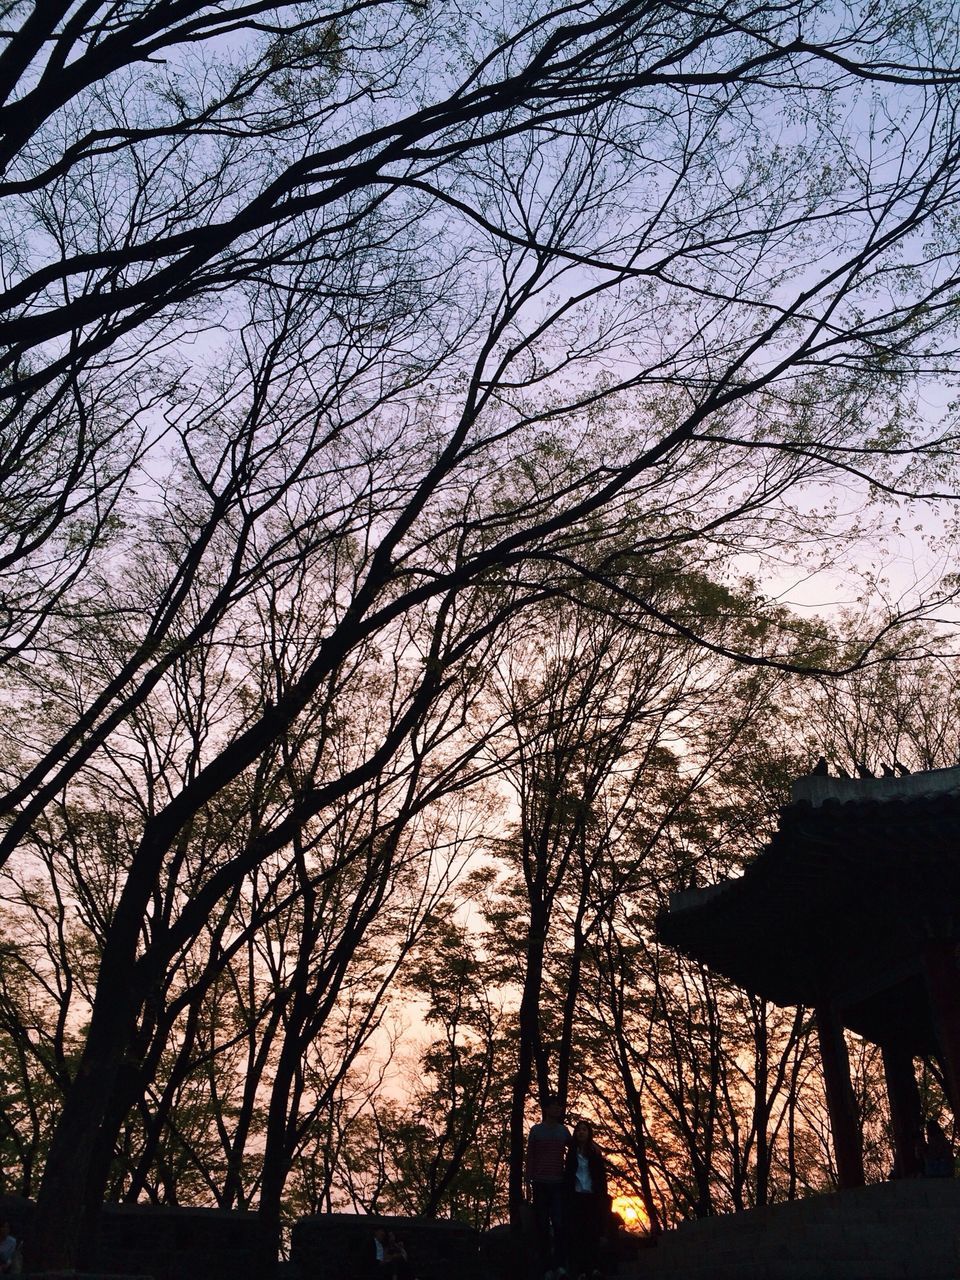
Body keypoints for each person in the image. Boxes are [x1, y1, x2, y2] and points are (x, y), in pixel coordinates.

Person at [526, 1095, 571, 1278]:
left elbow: (575, 1149)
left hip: (558, 1184)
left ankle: (560, 1265)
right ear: (546, 1109)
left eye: (559, 1106)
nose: (557, 1109)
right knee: (543, 1226)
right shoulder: (536, 1131)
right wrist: (528, 1180)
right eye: (554, 1106)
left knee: (559, 1224)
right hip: (540, 1183)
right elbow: (530, 1157)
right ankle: (546, 1268)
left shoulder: (563, 1131)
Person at [563, 1120, 608, 1280]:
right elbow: (568, 1175)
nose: (581, 1132)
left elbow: (601, 1177)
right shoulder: (571, 1153)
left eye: (584, 1130)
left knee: (592, 1233)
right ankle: (581, 1270)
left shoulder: (595, 1153)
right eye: (578, 1130)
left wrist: (602, 1196)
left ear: (589, 1133)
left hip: (592, 1196)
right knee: (578, 1234)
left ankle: (594, 1268)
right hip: (576, 1196)